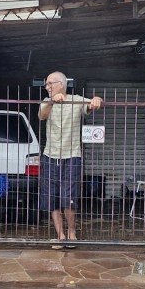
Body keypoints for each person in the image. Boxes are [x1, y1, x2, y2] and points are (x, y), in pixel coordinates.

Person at [38, 71, 103, 248]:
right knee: (52, 198)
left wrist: (96, 99)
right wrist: (52, 101)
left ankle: (72, 233)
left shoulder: (76, 99)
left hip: (72, 155)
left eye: (50, 83)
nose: (47, 87)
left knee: (69, 197)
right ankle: (60, 235)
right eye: (46, 84)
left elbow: (92, 105)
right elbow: (42, 115)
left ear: (61, 84)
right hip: (50, 155)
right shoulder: (46, 102)